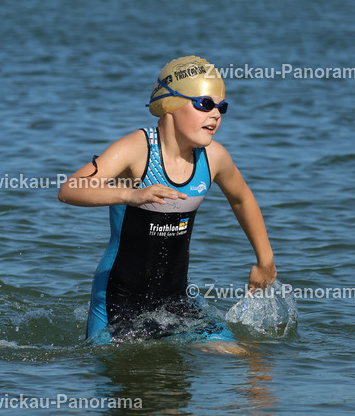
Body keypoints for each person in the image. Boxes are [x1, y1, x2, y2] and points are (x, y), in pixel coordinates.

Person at [58, 55, 276, 345]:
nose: (216, 114)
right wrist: (132, 195)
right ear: (170, 104)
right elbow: (70, 189)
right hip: (118, 302)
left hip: (175, 301)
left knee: (246, 360)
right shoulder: (136, 150)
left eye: (221, 107)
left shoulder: (214, 158)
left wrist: (265, 260)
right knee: (119, 376)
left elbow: (241, 198)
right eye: (204, 104)